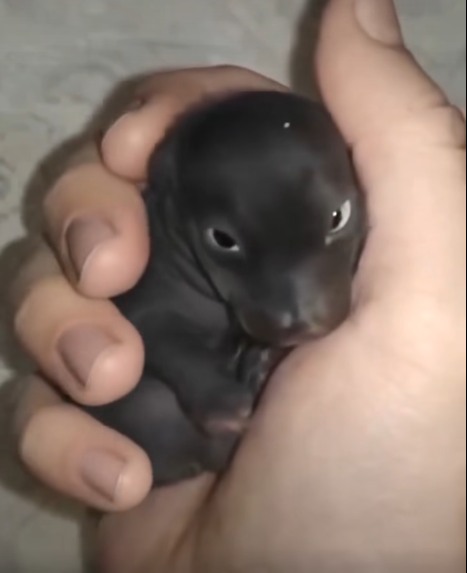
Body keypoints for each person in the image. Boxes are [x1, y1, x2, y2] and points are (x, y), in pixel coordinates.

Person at [9, 0, 465, 571]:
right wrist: (209, 393)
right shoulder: (158, 246)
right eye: (225, 241)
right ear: (167, 198)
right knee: (140, 403)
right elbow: (156, 328)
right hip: (168, 406)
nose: (303, 309)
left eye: (336, 220)